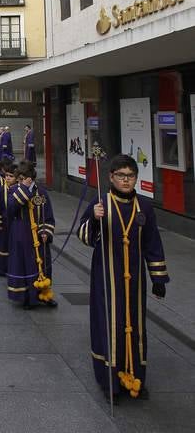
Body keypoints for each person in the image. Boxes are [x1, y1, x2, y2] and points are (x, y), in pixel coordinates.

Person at [78, 154, 169, 402]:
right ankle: (109, 381)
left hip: (134, 279)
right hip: (107, 276)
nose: (126, 180)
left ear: (136, 179)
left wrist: (158, 278)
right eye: (121, 176)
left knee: (136, 327)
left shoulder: (144, 207)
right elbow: (84, 237)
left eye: (130, 176)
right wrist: (94, 221)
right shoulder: (101, 203)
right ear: (111, 177)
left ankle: (136, 376)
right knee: (110, 325)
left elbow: (153, 243)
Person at [6, 160, 56, 309]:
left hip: (39, 237)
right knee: (24, 265)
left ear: (31, 177)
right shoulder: (14, 190)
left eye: (24, 178)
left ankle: (44, 294)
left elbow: (48, 215)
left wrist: (46, 231)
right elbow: (11, 208)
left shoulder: (41, 192)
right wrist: (24, 189)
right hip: (21, 235)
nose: (21, 181)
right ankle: (26, 296)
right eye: (19, 178)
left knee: (42, 265)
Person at [0, 162, 17, 277]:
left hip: (14, 223)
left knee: (13, 247)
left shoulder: (19, 190)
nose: (8, 178)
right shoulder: (0, 190)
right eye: (6, 175)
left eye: (11, 176)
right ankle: (2, 269)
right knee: (2, 246)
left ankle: (13, 268)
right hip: (3, 224)